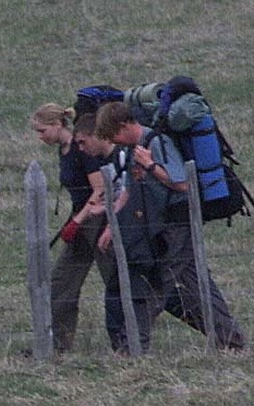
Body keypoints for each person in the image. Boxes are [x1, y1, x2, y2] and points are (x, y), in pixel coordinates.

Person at [95, 101, 245, 350]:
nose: (115, 142)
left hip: (178, 224)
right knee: (198, 283)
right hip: (166, 225)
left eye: (114, 135)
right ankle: (231, 341)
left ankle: (132, 346)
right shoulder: (135, 149)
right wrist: (111, 223)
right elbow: (129, 192)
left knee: (155, 281)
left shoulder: (157, 143)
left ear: (124, 125)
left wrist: (152, 166)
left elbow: (185, 184)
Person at [73, 110, 160, 354]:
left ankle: (126, 347)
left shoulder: (124, 156)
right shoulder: (116, 160)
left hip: (139, 231)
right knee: (126, 287)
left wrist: (112, 223)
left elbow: (132, 194)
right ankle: (123, 346)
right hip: (129, 228)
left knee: (137, 288)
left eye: (83, 141)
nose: (81, 148)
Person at [29, 102, 109, 353]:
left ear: (57, 125)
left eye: (42, 131)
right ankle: (57, 346)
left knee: (116, 281)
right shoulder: (64, 150)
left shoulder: (81, 148)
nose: (40, 137)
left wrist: (78, 219)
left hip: (97, 221)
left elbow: (100, 189)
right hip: (81, 222)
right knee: (61, 283)